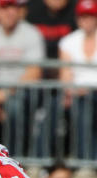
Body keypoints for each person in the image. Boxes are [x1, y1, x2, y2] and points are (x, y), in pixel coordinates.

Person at [0, 0, 45, 153]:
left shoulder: (31, 33)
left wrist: (4, 95)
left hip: (22, 90)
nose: (9, 12)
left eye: (13, 7)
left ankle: (15, 157)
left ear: (20, 11)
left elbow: (33, 72)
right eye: (4, 7)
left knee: (15, 107)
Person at [59, 0, 97, 160]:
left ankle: (88, 159)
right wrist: (71, 91)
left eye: (91, 16)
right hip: (78, 93)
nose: (86, 20)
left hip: (93, 91)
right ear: (77, 18)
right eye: (83, 17)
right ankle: (85, 159)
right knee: (79, 107)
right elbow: (65, 75)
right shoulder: (69, 41)